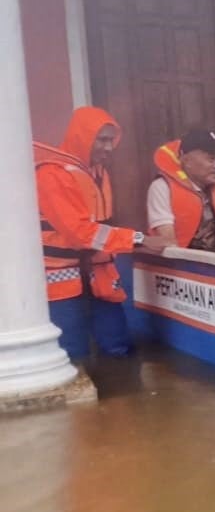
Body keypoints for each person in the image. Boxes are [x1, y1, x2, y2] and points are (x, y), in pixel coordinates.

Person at [35, 106, 171, 361]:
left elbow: (98, 227)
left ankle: (121, 386)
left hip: (100, 273)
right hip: (62, 278)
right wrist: (138, 240)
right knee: (71, 354)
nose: (109, 148)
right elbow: (79, 233)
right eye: (102, 140)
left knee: (118, 346)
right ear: (82, 136)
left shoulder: (98, 172)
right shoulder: (50, 175)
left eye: (112, 140)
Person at [147, 129, 215, 256]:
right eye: (211, 159)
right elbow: (168, 242)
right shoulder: (162, 188)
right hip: (182, 264)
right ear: (186, 160)